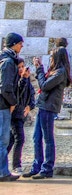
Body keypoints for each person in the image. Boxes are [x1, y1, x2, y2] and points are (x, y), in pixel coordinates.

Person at [27, 43, 69, 180]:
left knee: (47, 138)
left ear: (57, 57)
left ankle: (47, 168)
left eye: (52, 56)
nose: (50, 58)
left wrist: (39, 69)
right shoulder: (56, 71)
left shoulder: (60, 72)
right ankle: (37, 166)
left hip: (48, 107)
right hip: (44, 105)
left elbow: (44, 85)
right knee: (36, 137)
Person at [0, 33, 23, 181]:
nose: (21, 46)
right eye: (20, 43)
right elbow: (5, 87)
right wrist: (13, 102)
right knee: (3, 141)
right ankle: (3, 172)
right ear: (14, 44)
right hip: (3, 105)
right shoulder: (8, 62)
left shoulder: (5, 59)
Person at [7, 58, 33, 175]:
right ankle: (16, 165)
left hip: (21, 114)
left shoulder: (26, 79)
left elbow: (31, 93)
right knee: (20, 138)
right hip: (15, 114)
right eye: (19, 67)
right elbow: (18, 92)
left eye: (23, 66)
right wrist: (23, 78)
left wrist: (30, 106)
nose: (21, 69)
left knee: (11, 139)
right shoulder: (14, 80)